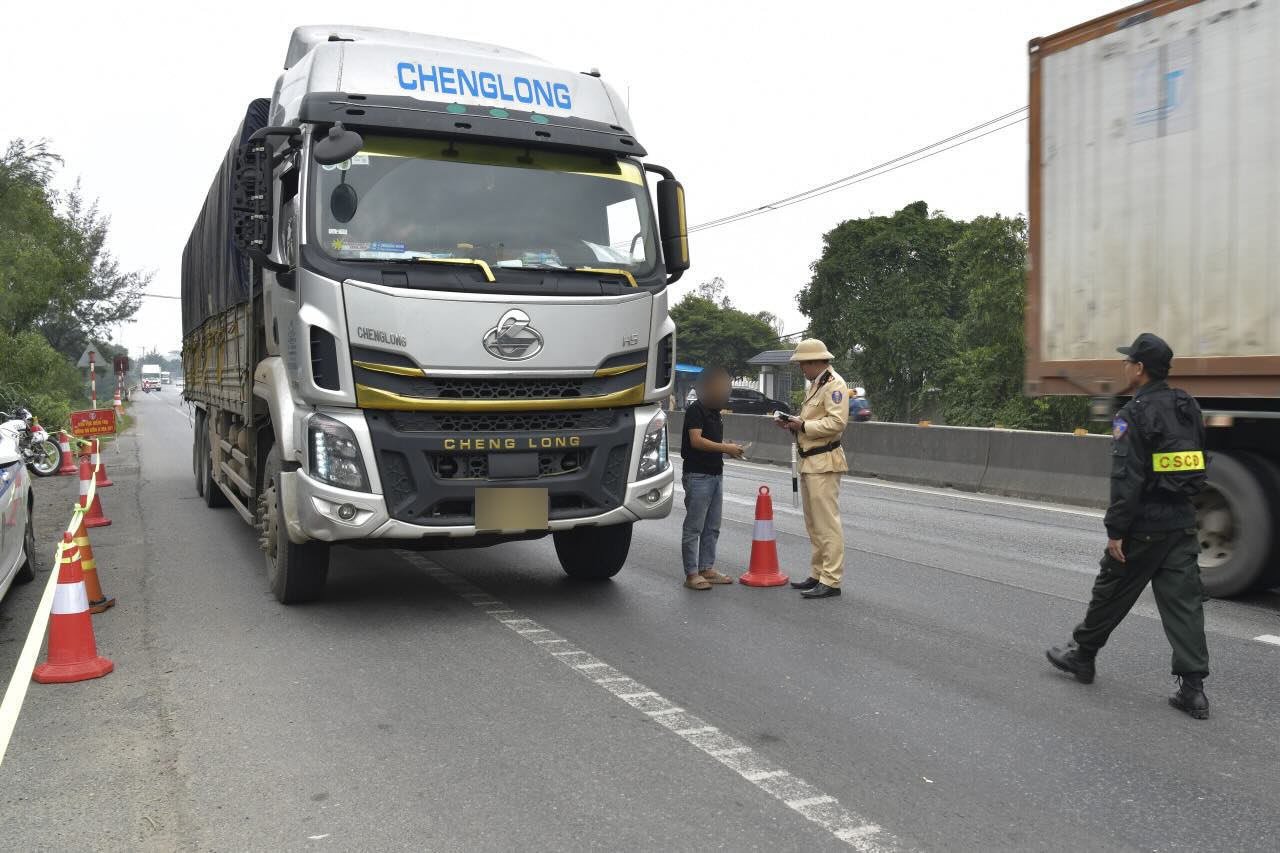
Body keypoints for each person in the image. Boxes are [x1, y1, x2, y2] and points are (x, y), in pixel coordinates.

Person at [1046, 332, 1212, 719]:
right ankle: (1194, 691)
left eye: (1127, 362)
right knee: (1185, 605)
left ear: (1138, 369)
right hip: (1182, 521)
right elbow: (1199, 458)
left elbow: (1128, 478)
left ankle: (1083, 657)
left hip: (1144, 526)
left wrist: (1115, 531)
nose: (1123, 367)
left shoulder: (1132, 415)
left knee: (1111, 589)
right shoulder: (1188, 406)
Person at [776, 339, 850, 599]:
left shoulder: (834, 385)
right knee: (814, 523)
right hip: (810, 460)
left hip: (824, 461)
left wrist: (803, 426)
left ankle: (831, 579)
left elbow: (836, 423)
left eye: (802, 365)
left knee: (827, 523)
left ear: (814, 361)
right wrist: (794, 424)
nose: (801, 370)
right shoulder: (817, 385)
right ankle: (818, 573)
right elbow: (813, 420)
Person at [680, 366, 745, 590]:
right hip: (698, 475)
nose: (723, 391)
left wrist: (727, 449)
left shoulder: (714, 411)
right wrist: (726, 447)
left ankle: (706, 568)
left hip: (716, 473)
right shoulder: (695, 410)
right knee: (694, 527)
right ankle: (691, 574)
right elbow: (696, 441)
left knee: (712, 526)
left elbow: (711, 443)